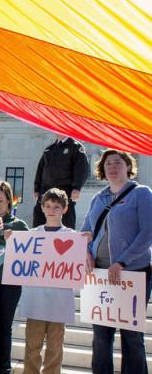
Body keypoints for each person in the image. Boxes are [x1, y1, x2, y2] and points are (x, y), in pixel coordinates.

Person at [81, 150, 151, 374]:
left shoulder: (142, 194)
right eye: (108, 162)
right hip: (100, 274)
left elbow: (148, 232)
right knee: (101, 337)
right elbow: (86, 231)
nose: (112, 166)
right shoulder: (97, 198)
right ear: (102, 168)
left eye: (118, 162)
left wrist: (121, 261)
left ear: (128, 166)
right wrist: (86, 253)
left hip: (132, 272)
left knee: (131, 336)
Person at [16, 189, 75, 374]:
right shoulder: (31, 235)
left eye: (56, 207)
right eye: (48, 206)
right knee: (32, 345)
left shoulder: (72, 236)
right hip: (36, 301)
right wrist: (13, 241)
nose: (52, 210)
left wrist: (86, 243)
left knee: (55, 348)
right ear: (42, 207)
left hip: (59, 301)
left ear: (64, 209)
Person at [0, 181, 27, 374]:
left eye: (0, 200)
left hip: (9, 285)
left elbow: (28, 254)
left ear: (9, 201)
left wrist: (14, 240)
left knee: (3, 327)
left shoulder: (19, 225)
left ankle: (2, 368)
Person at [33, 134, 89, 228]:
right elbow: (40, 169)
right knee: (39, 220)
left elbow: (81, 168)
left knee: (66, 222)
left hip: (65, 191)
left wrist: (77, 187)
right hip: (45, 191)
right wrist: (36, 189)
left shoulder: (75, 147)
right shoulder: (49, 149)